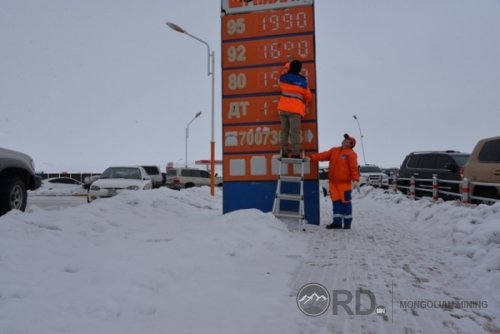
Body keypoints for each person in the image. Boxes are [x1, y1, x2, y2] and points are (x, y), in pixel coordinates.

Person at [309, 134, 360, 229]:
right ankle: (337, 223)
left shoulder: (351, 154)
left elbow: (354, 168)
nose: (345, 140)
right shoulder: (334, 150)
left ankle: (347, 223)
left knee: (346, 203)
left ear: (351, 144)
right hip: (333, 183)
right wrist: (311, 158)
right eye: (345, 139)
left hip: (344, 184)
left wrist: (356, 179)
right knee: (336, 203)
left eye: (347, 139)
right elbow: (322, 156)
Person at [277, 58, 312, 158]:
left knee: (284, 131)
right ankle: (295, 153)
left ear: (290, 67)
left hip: (283, 109)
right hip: (295, 111)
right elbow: (309, 98)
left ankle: (284, 152)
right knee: (294, 133)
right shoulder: (303, 82)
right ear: (300, 69)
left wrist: (288, 64)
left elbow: (280, 78)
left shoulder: (283, 78)